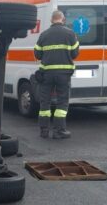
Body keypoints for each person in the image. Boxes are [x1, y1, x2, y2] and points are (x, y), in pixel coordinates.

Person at [34, 10, 80, 139]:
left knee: (45, 103)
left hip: (46, 74)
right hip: (64, 74)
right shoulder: (71, 34)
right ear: (63, 19)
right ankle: (59, 131)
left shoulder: (43, 35)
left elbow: (37, 54)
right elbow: (75, 54)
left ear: (51, 20)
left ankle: (44, 131)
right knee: (62, 102)